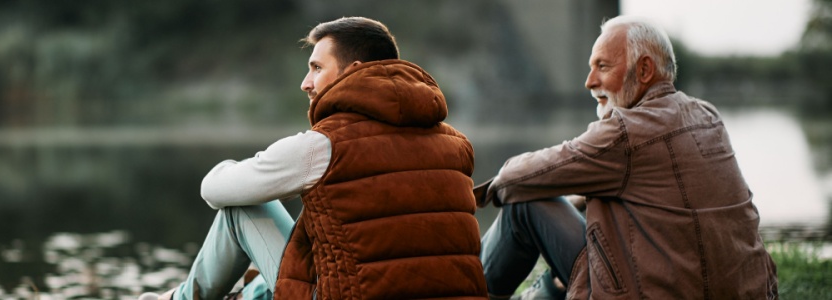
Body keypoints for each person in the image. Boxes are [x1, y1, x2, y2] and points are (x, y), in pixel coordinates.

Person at [141, 16, 487, 300]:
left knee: (240, 207)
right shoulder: (457, 144)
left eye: (317, 68)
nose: (306, 83)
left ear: (353, 70)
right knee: (320, 239)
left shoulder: (322, 146)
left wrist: (234, 170)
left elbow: (214, 191)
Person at [474, 16, 778, 299]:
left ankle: (464, 291)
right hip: (746, 291)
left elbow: (517, 179)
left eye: (603, 66)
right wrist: (578, 197)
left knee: (523, 204)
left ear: (644, 70)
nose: (589, 81)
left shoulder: (625, 132)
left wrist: (471, 195)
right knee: (586, 216)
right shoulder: (706, 115)